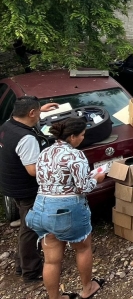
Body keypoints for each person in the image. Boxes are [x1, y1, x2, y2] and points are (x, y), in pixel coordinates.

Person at [26, 117, 106, 299]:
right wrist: (96, 178)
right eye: (82, 135)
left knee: (51, 260)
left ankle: (55, 297)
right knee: (83, 248)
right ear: (72, 136)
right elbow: (83, 187)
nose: (83, 139)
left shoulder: (44, 153)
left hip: (41, 207)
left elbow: (41, 180)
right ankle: (87, 288)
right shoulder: (76, 155)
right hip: (67, 209)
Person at [0, 96, 58, 283]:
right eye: (38, 111)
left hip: (12, 184)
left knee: (27, 225)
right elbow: (33, 170)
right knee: (30, 228)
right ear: (31, 113)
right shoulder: (27, 138)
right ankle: (30, 270)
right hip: (27, 188)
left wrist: (43, 110)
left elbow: (23, 119)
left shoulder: (8, 125)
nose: (40, 114)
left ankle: (21, 264)